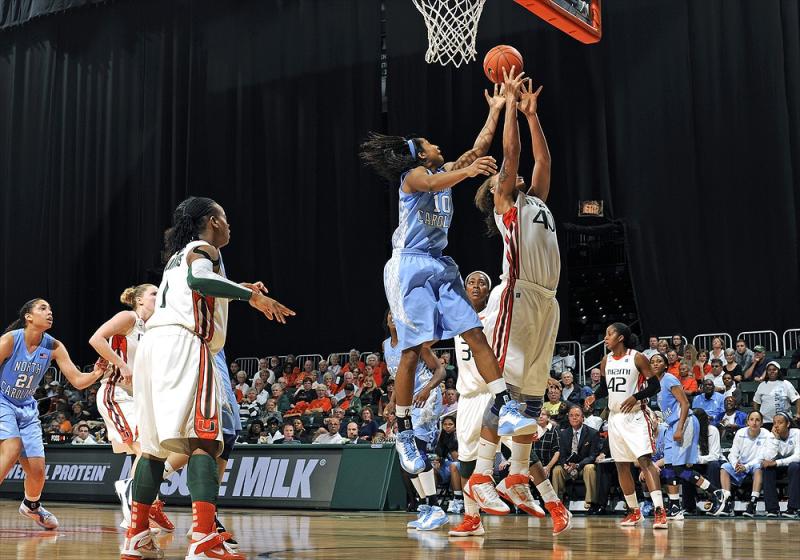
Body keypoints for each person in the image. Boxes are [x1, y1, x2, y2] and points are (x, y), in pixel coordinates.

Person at [360, 78, 535, 477]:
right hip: (409, 265)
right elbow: (442, 179)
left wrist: (496, 108)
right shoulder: (414, 179)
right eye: (431, 144)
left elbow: (478, 148)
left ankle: (505, 403)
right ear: (419, 154)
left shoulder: (444, 171)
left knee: (474, 330)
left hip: (439, 263)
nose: (439, 146)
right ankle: (403, 429)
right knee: (411, 349)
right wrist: (469, 169)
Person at [122, 196, 294, 560]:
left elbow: (194, 288)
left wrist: (239, 287)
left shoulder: (177, 256)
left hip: (153, 346)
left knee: (153, 449)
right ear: (212, 221)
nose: (229, 225)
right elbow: (199, 280)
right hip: (184, 345)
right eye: (225, 218)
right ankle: (203, 535)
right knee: (205, 440)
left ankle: (136, 536)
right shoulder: (204, 249)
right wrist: (250, 297)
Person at [469, 73, 571, 536]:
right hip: (520, 293)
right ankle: (479, 477)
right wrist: (508, 103)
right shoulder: (505, 203)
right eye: (503, 180)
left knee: (532, 398)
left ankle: (515, 475)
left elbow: (542, 156)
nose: (512, 176)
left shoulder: (538, 202)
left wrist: (533, 116)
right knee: (507, 391)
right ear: (496, 193)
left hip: (547, 303)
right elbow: (510, 156)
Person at [0, 298, 108, 530]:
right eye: (43, 308)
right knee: (11, 449)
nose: (50, 312)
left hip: (27, 408)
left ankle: (31, 505)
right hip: (3, 401)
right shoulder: (10, 340)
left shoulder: (53, 346)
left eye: (50, 309)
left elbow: (78, 381)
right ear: (28, 317)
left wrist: (97, 372)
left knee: (38, 472)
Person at [89, 283, 186, 532]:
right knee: (145, 449)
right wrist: (121, 364)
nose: (158, 296)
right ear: (139, 300)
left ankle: (142, 499)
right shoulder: (129, 317)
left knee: (163, 451)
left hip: (140, 398)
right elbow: (96, 339)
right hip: (116, 393)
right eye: (154, 293)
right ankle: (134, 497)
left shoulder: (154, 329)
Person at [585, 322, 666, 529]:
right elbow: (605, 388)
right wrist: (594, 396)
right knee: (621, 464)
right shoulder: (605, 360)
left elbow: (654, 385)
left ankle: (659, 511)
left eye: (609, 334)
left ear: (620, 337)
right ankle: (634, 511)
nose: (605, 338)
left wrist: (635, 397)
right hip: (615, 417)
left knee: (645, 461)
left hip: (636, 416)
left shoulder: (637, 357)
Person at [383, 309, 447, 531]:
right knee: (405, 458)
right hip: (405, 403)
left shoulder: (415, 341)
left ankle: (436, 507)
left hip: (425, 399)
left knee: (416, 449)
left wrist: (427, 390)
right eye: (388, 314)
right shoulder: (385, 346)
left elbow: (440, 371)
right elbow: (399, 377)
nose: (392, 316)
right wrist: (392, 401)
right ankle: (426, 508)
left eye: (395, 313)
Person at [651, 353, 721, 520]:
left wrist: (680, 428)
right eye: (652, 361)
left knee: (679, 468)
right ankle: (675, 507)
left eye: (659, 361)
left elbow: (685, 403)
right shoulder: (656, 383)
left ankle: (716, 493)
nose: (655, 363)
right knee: (668, 467)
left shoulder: (669, 379)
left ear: (666, 365)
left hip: (684, 422)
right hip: (671, 425)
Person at [711, 410, 771, 517]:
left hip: (753, 466)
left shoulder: (767, 434)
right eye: (752, 419)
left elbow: (762, 457)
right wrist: (735, 465)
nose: (754, 422)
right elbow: (732, 453)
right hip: (740, 466)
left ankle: (752, 503)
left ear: (761, 423)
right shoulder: (740, 432)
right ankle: (727, 502)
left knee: (758, 467)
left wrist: (746, 467)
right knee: (724, 467)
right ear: (747, 422)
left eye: (757, 420)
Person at [551, 407, 600, 512]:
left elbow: (593, 455)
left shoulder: (592, 433)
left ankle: (590, 502)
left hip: (583, 466)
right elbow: (562, 455)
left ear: (583, 418)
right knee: (557, 470)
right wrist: (565, 465)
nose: (574, 418)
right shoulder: (563, 434)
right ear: (568, 418)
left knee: (590, 468)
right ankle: (557, 502)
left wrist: (578, 465)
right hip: (568, 467)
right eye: (571, 416)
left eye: (577, 415)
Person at [761, 412, 800, 518]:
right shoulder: (771, 436)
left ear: (787, 424)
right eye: (774, 423)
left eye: (780, 422)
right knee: (767, 469)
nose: (776, 425)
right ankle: (772, 509)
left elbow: (798, 456)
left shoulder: (797, 433)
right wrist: (776, 439)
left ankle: (792, 509)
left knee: (795, 466)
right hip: (780, 466)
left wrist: (777, 462)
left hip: (794, 466)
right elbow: (768, 458)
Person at [752, 361, 800, 429]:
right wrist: (756, 415)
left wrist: (798, 413)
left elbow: (797, 398)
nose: (772, 371)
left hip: (784, 421)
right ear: (767, 372)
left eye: (774, 369)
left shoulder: (786, 384)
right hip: (766, 422)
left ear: (778, 371)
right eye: (769, 370)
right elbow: (756, 401)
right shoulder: (762, 385)